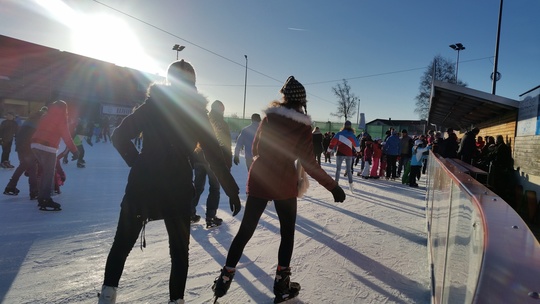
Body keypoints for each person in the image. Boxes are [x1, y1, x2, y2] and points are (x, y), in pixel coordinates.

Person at [97, 60, 241, 304]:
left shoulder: (153, 105)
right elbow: (213, 156)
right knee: (179, 253)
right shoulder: (196, 112)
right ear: (193, 84)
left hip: (143, 185)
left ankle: (107, 296)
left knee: (121, 244)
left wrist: (139, 162)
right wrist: (231, 190)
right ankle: (176, 301)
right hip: (177, 187)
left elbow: (119, 135)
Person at [212, 76, 346, 304]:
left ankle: (225, 277)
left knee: (246, 230)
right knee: (287, 233)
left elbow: (255, 148)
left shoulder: (268, 118)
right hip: (283, 182)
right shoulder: (302, 124)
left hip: (260, 177)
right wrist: (333, 187)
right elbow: (309, 162)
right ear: (302, 101)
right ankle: (282, 286)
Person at [190, 100, 232, 229]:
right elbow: (226, 145)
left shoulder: (203, 120)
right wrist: (227, 164)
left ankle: (189, 214)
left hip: (198, 159)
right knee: (214, 188)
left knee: (197, 187)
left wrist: (192, 158)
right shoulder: (222, 124)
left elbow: (193, 139)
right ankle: (210, 217)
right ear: (221, 110)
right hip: (213, 161)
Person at [31, 100, 79, 211]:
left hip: (34, 144)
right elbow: (66, 135)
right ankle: (45, 199)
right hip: (47, 146)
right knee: (48, 173)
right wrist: (75, 151)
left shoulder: (46, 115)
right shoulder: (61, 117)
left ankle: (42, 198)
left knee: (46, 172)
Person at [3, 107, 47, 198]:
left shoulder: (30, 119)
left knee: (23, 166)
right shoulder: (39, 120)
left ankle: (10, 187)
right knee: (32, 169)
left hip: (20, 146)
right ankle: (34, 192)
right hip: (28, 147)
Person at [327, 120, 360, 192]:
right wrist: (358, 151)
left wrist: (329, 150)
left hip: (340, 154)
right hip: (349, 154)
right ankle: (351, 186)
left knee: (338, 170)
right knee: (349, 170)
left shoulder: (339, 134)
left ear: (343, 126)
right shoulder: (352, 135)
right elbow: (357, 146)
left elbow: (332, 143)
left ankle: (336, 185)